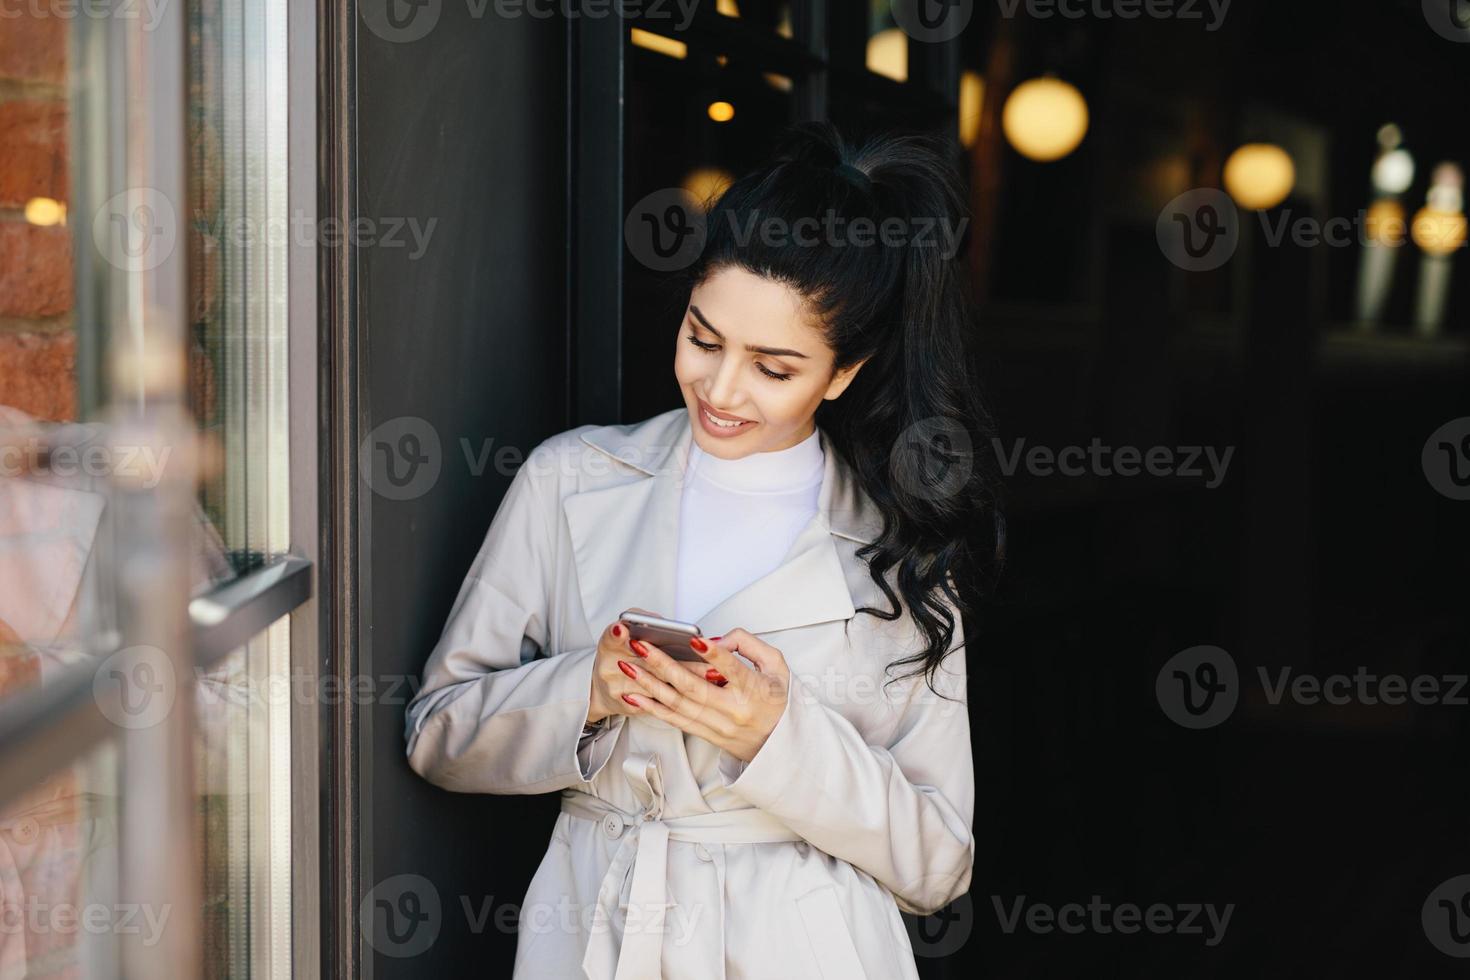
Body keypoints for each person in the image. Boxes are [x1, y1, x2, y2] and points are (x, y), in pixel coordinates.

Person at [404, 121, 1005, 979]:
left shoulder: (899, 549)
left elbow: (939, 864)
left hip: (805, 947)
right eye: (703, 338)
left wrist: (777, 733)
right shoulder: (568, 479)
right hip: (594, 928)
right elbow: (437, 733)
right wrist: (592, 688)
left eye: (774, 367)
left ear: (842, 373)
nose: (721, 390)